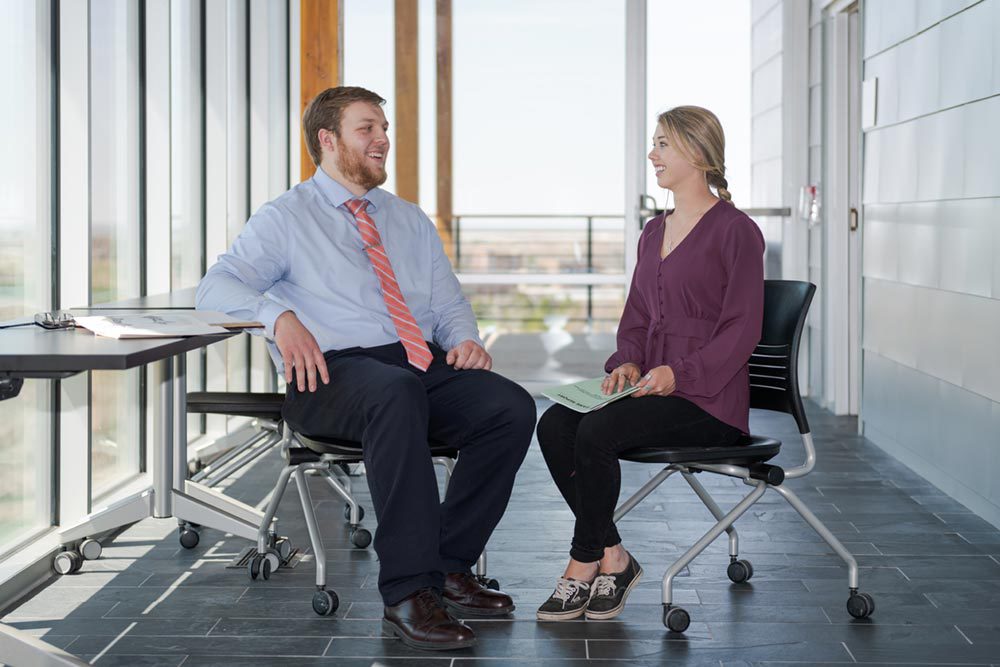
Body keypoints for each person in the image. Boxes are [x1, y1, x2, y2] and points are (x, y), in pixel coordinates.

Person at [196, 86, 536, 651]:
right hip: (331, 376)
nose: (382, 139)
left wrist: (465, 341)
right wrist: (277, 315)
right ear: (327, 141)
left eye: (384, 128)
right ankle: (407, 592)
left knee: (508, 406)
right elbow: (217, 287)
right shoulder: (286, 218)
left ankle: (448, 566)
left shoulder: (406, 219)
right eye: (366, 129)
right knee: (395, 390)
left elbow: (447, 303)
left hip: (414, 367)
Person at [534, 106, 764, 622]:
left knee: (596, 433)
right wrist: (629, 363)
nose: (652, 154)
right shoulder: (652, 231)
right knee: (553, 424)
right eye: (654, 143)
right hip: (649, 388)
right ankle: (614, 557)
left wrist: (679, 374)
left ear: (698, 154)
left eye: (663, 144)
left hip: (708, 398)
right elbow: (637, 314)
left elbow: (742, 329)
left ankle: (582, 563)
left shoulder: (737, 231)